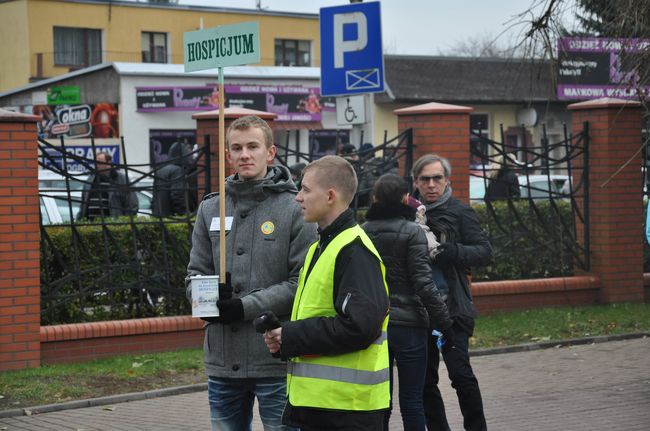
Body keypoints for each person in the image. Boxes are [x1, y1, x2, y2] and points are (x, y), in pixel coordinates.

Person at [186, 115, 317, 431]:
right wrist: (204, 299)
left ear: (270, 153)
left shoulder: (294, 208)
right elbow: (194, 272)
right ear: (228, 155)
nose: (245, 154)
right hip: (222, 360)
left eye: (253, 146)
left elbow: (301, 283)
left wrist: (243, 307)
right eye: (237, 148)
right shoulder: (210, 208)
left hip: (273, 356)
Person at [263, 155, 390, 430]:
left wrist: (292, 335)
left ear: (330, 195)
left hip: (347, 411)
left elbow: (360, 327)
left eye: (306, 189)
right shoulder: (320, 247)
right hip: (324, 408)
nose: (298, 197)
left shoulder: (353, 250)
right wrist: (286, 339)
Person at [362, 173, 454, 431]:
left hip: (375, 325)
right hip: (410, 325)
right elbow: (424, 284)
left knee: (381, 402)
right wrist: (445, 324)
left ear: (374, 198)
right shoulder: (412, 232)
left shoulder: (362, 232)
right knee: (412, 402)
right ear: (406, 198)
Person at [411, 154, 492, 431]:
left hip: (452, 307)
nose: (431, 184)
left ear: (447, 181)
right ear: (416, 182)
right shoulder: (408, 214)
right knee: (424, 381)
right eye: (425, 179)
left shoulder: (460, 212)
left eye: (437, 178)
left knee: (461, 375)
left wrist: (454, 251)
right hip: (418, 310)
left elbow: (484, 251)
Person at [77, 151, 138, 220]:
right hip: (91, 226)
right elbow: (83, 205)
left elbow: (132, 204)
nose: (97, 164)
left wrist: (123, 223)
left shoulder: (121, 179)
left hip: (112, 226)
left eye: (99, 162)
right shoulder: (91, 179)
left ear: (108, 163)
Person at [152, 141, 195, 217]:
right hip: (172, 217)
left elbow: (154, 197)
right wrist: (184, 214)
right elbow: (178, 194)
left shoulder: (160, 170)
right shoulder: (177, 170)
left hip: (159, 216)